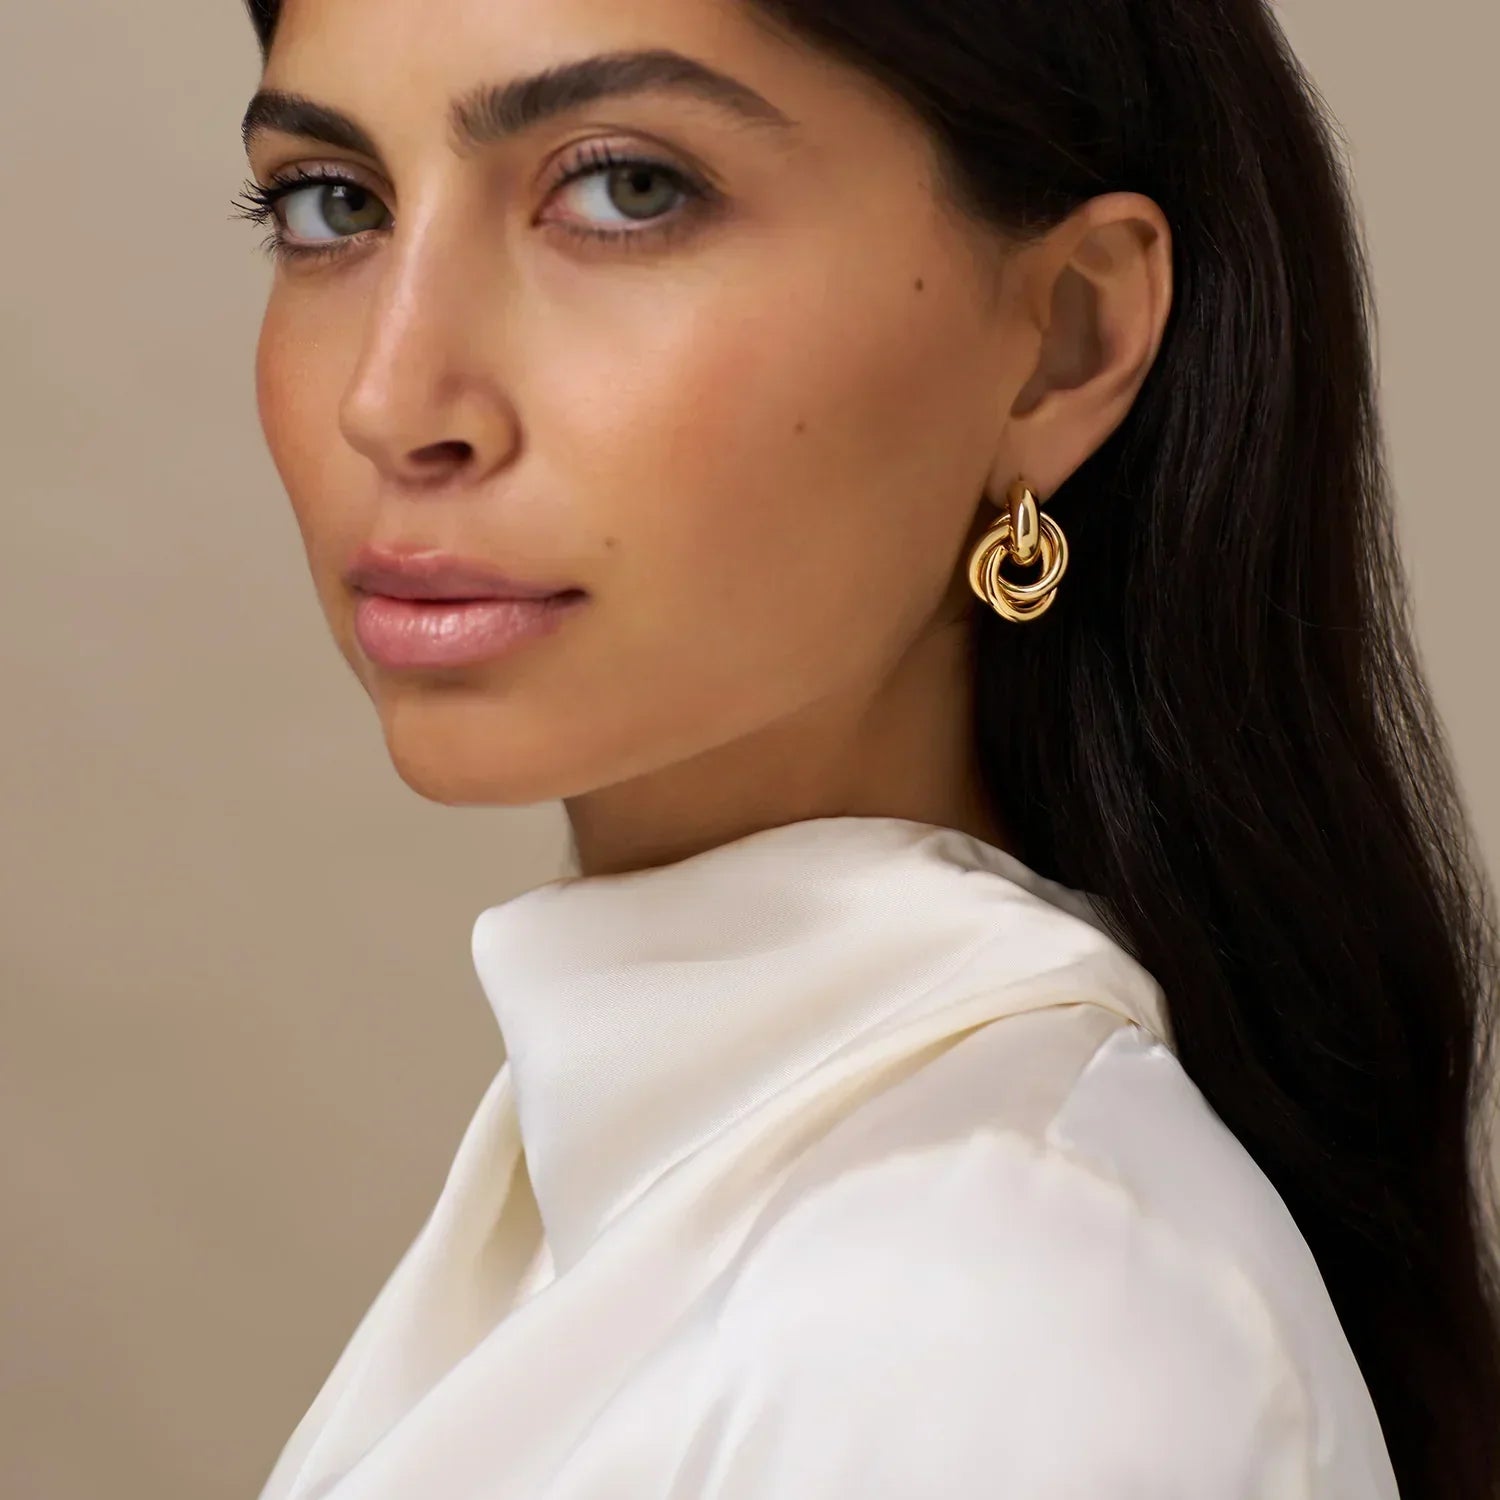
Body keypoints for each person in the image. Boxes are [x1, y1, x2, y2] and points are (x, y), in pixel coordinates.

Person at [233, 1, 1500, 1496]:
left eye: (627, 189)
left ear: (1066, 337)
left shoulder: (996, 1329)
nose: (389, 401)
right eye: (333, 205)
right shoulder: (713, 1181)